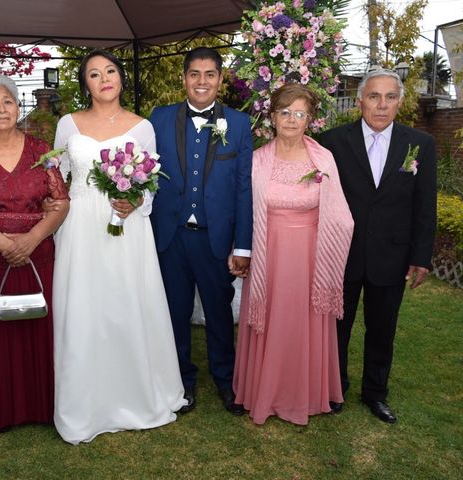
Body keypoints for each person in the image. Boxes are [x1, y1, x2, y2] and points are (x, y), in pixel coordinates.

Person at [49, 49, 186, 445]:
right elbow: (57, 181)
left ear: (121, 78)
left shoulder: (142, 127)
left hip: (126, 228)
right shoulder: (67, 125)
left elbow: (152, 184)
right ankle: (84, 402)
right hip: (79, 228)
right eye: (94, 73)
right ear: (85, 83)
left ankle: (136, 394)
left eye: (110, 70)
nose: (104, 78)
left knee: (126, 305)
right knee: (84, 308)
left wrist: (136, 202)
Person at [319, 69, 437, 423]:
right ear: (360, 102)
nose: (382, 105)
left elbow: (424, 206)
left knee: (382, 328)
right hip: (343, 254)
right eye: (374, 96)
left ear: (400, 102)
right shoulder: (332, 142)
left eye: (389, 97)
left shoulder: (419, 145)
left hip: (392, 254)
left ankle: (375, 393)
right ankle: (334, 388)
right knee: (337, 326)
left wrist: (420, 257)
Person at [233, 83, 354, 425]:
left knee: (304, 320)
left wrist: (330, 248)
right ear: (272, 117)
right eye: (284, 112)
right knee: (270, 320)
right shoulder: (257, 160)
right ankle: (264, 391)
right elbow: (245, 210)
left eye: (299, 113)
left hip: (310, 257)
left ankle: (305, 393)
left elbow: (339, 212)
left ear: (310, 119)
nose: (290, 119)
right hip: (268, 251)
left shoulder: (323, 159)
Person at [0, 75, 69, 432]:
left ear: (18, 107)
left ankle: (40, 407)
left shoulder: (41, 149)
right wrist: (5, 245)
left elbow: (62, 202)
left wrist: (30, 240)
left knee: (35, 329)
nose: (0, 109)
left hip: (37, 256)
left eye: (7, 102)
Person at [149, 47, 253, 415]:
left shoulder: (239, 124)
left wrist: (243, 245)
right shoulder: (158, 119)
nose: (202, 81)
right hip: (170, 237)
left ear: (220, 80)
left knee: (219, 313)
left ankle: (227, 381)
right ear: (184, 78)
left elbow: (244, 187)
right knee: (173, 312)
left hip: (215, 238)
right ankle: (182, 382)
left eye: (210, 74)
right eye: (195, 74)